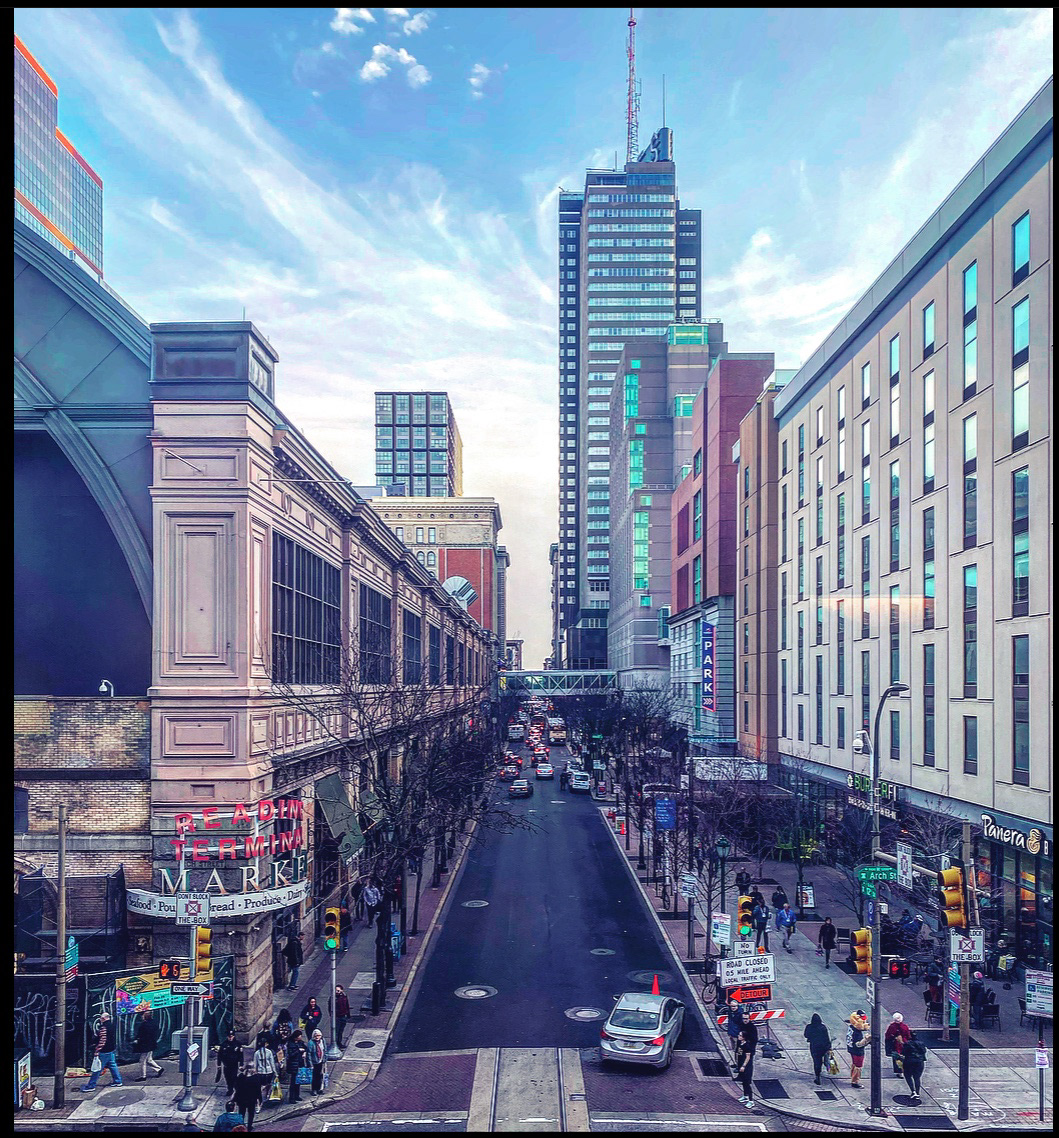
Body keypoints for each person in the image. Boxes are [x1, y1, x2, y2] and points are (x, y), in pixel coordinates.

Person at [80, 1011, 123, 1090]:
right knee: (113, 1066)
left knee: (97, 1068)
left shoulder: (104, 1028)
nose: (100, 1019)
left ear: (103, 1019)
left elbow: (102, 1040)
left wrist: (97, 1050)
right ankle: (118, 1081)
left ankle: (91, 1085)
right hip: (111, 1049)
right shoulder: (112, 1025)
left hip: (104, 1051)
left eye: (101, 1018)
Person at [233, 1065, 266, 1132]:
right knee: (251, 1113)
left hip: (241, 1099)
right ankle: (249, 1126)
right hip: (251, 1099)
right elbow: (258, 1090)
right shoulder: (255, 1078)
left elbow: (236, 1087)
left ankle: (241, 1126)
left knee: (241, 1113)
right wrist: (260, 1099)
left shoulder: (241, 1077)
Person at [733, 1023, 758, 1109]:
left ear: (744, 1037)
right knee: (743, 1081)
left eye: (740, 1035)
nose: (738, 1036)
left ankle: (751, 1101)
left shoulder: (747, 1045)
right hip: (740, 1064)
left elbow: (748, 1057)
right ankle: (745, 1096)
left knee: (747, 1083)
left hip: (746, 1066)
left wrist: (743, 1066)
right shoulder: (740, 1043)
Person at [134, 1007, 164, 1080]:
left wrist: (137, 1040)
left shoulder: (144, 1025)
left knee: (142, 1060)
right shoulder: (154, 1023)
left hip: (146, 1045)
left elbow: (141, 1035)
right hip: (152, 1044)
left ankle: (143, 1076)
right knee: (149, 1059)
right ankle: (159, 1069)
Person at [803, 1013, 832, 1085]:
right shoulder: (823, 1027)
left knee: (816, 1061)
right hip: (823, 1047)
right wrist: (829, 1047)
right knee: (825, 1059)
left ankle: (817, 1076)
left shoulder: (809, 1027)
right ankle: (826, 1068)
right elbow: (826, 1038)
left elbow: (806, 1035)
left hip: (814, 1047)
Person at [252, 1033, 279, 1109]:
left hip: (260, 1072)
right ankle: (266, 1096)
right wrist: (275, 1072)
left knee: (262, 1086)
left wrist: (255, 1071)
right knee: (268, 1085)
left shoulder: (257, 1053)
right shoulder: (269, 1052)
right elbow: (272, 1063)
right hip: (268, 1071)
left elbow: (255, 1064)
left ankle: (260, 1100)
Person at [900, 1030, 927, 1101]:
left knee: (908, 1076)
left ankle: (913, 1091)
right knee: (917, 1078)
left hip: (909, 1061)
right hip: (919, 1062)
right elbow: (924, 1051)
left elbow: (903, 1052)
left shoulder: (907, 1044)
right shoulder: (921, 1043)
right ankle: (917, 1093)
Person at [845, 1011, 868, 1089]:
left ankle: (853, 1077)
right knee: (858, 1066)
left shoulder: (851, 1027)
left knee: (854, 1064)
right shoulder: (857, 1033)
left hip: (851, 1048)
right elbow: (858, 1044)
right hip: (857, 1051)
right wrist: (866, 1040)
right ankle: (855, 1081)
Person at [217, 1030, 243, 1096]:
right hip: (226, 1065)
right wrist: (219, 1064)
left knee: (233, 1077)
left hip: (234, 1064)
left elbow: (240, 1055)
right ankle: (230, 1089)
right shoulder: (224, 1045)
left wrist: (241, 1064)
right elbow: (219, 1055)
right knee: (227, 1078)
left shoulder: (237, 1044)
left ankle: (235, 1088)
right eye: (229, 1037)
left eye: (231, 1036)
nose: (230, 1038)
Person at [285, 1029, 308, 1104]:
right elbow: (291, 1054)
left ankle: (297, 1095)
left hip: (300, 1063)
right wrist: (298, 1050)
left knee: (298, 1081)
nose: (300, 1037)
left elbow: (306, 1048)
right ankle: (292, 1098)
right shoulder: (290, 1044)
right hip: (293, 1065)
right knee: (293, 1082)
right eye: (299, 1036)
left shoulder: (300, 1042)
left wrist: (304, 1052)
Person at [308, 1028, 326, 1095]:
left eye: (318, 1035)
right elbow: (309, 1054)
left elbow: (325, 1050)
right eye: (316, 1036)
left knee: (320, 1075)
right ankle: (314, 1089)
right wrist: (310, 1064)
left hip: (321, 1061)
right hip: (314, 1062)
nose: (317, 1037)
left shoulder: (322, 1041)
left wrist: (324, 1059)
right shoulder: (311, 1043)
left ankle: (319, 1089)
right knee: (314, 1076)